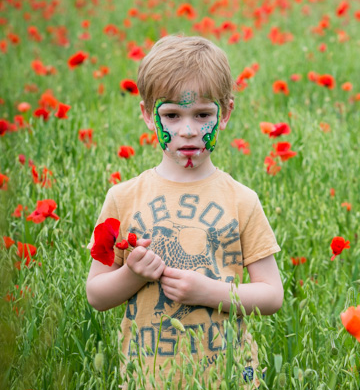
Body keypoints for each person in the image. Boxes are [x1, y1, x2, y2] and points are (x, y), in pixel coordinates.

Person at [85, 35, 283, 388]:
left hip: (228, 376)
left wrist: (207, 292)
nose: (188, 131)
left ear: (226, 114)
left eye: (203, 114)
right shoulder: (122, 198)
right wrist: (133, 275)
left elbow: (271, 294)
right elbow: (96, 295)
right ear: (148, 115)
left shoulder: (242, 200)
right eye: (172, 115)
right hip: (148, 378)